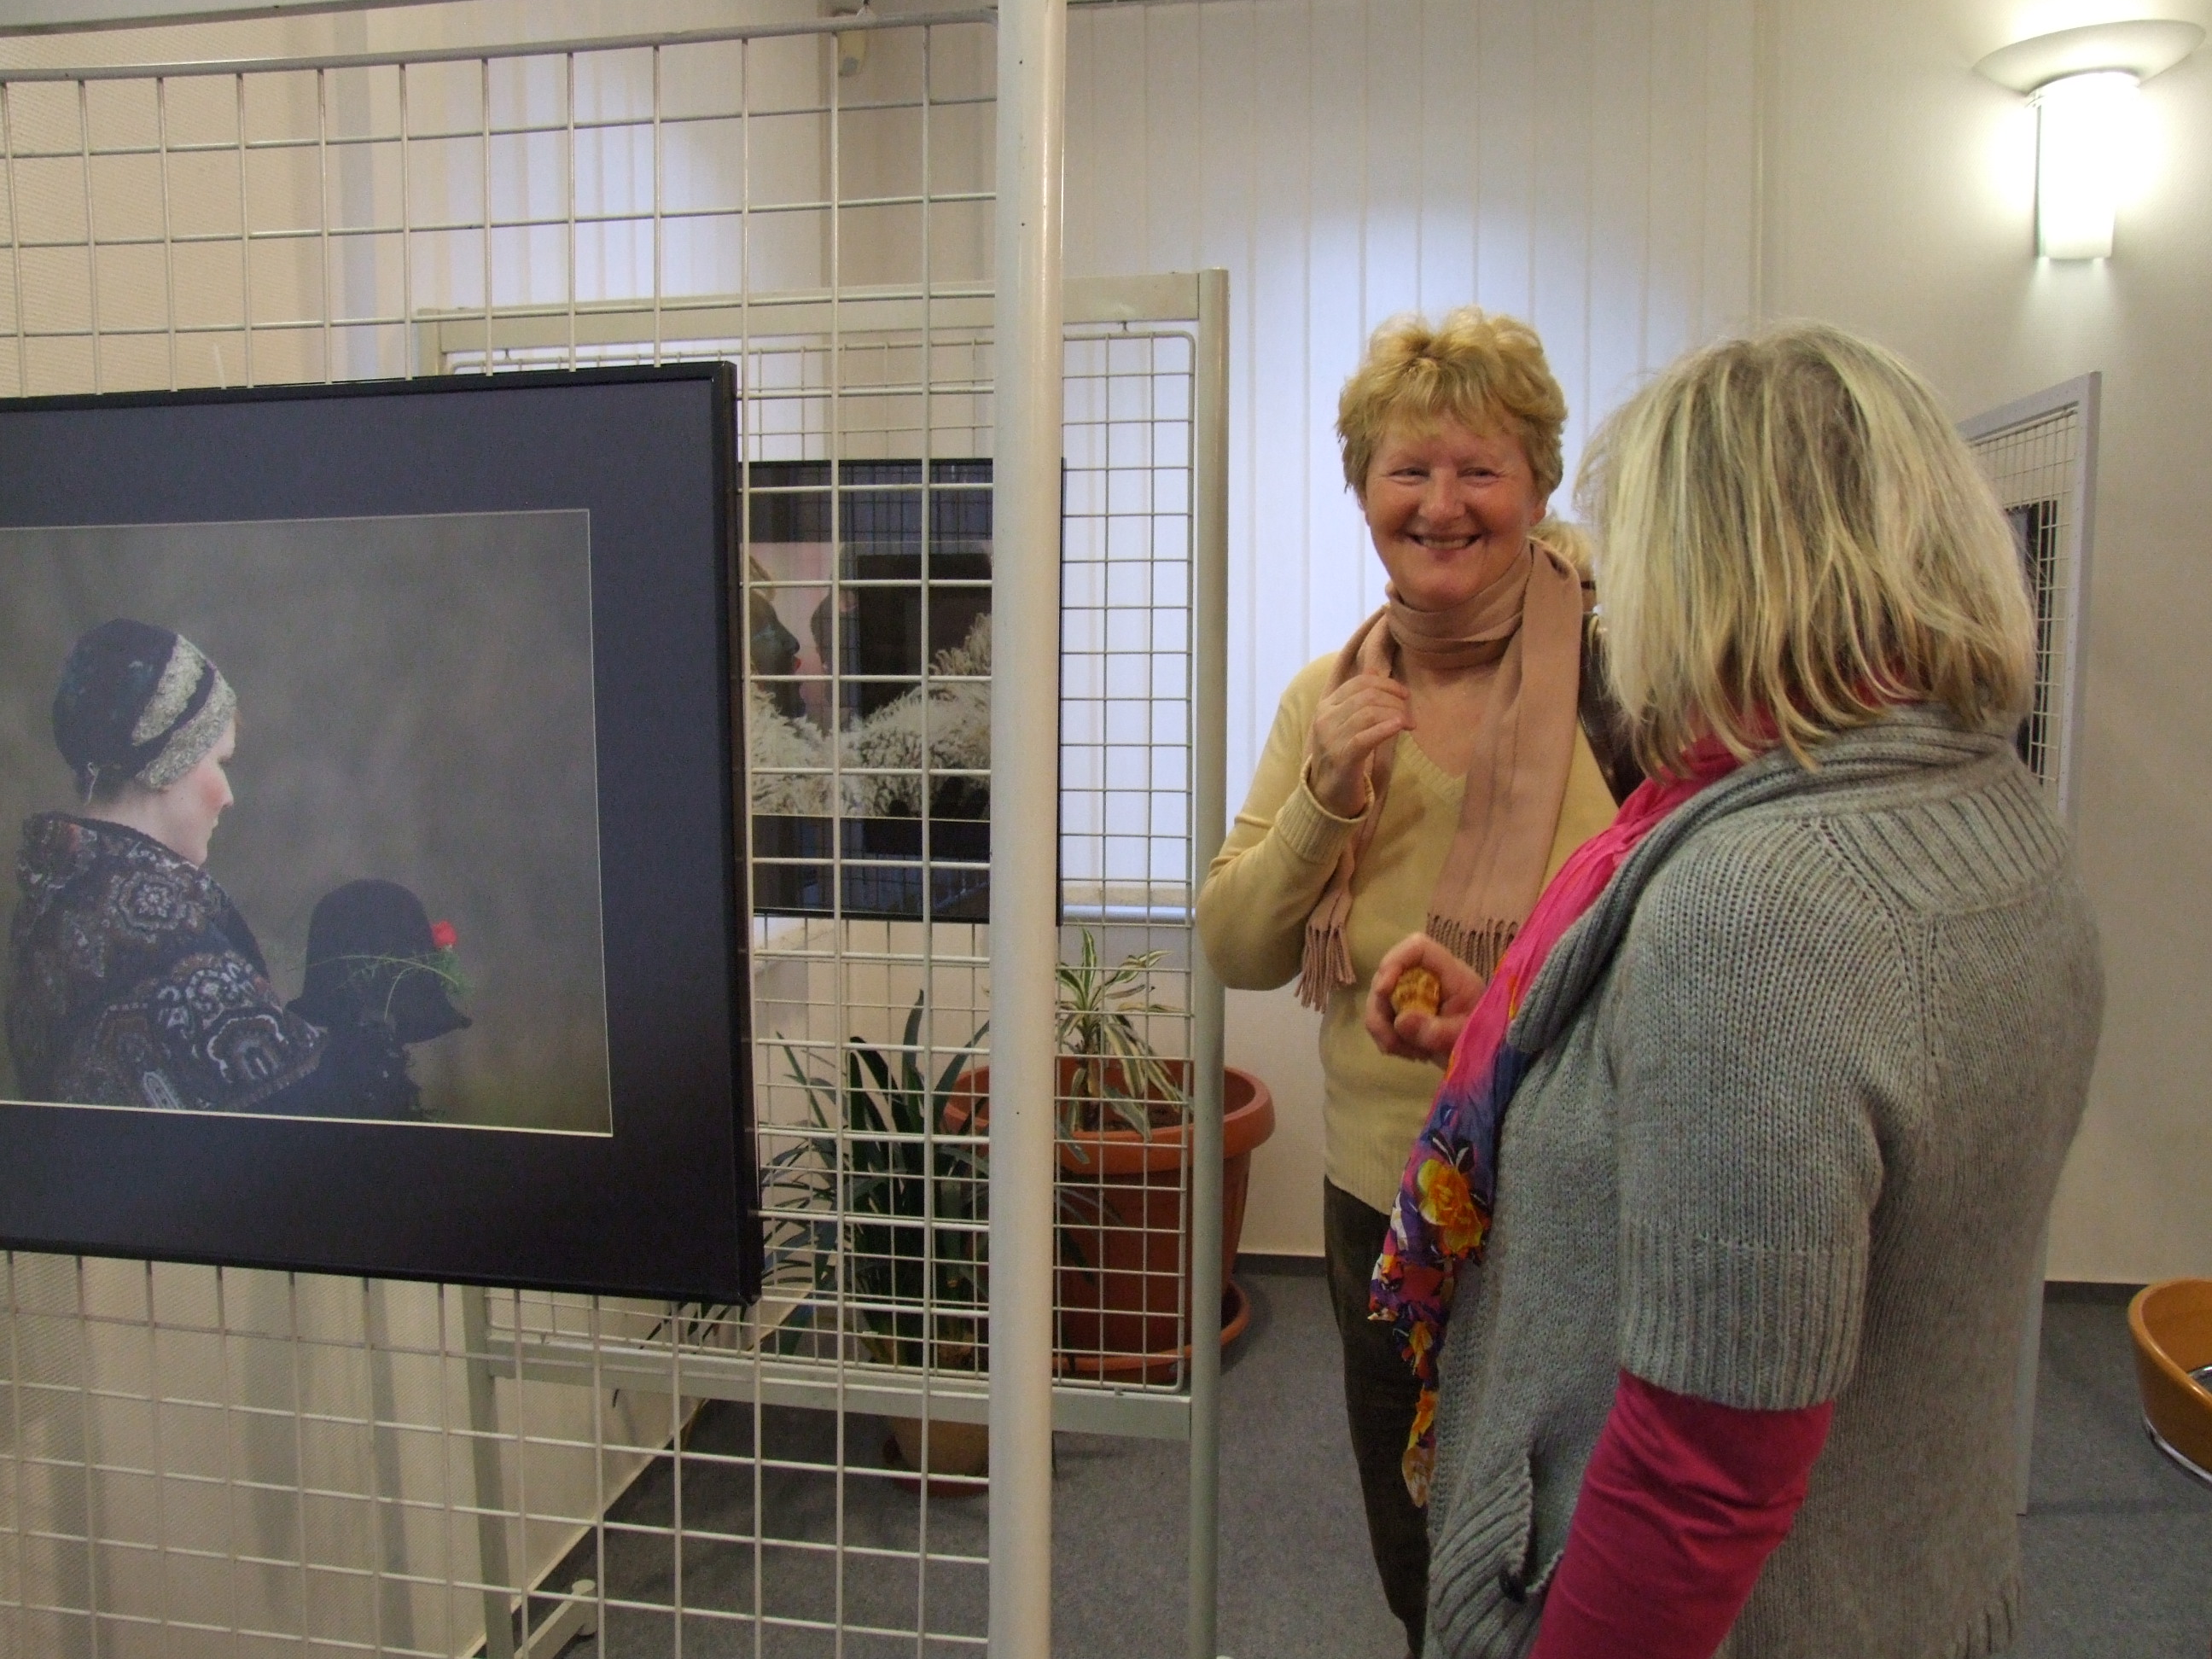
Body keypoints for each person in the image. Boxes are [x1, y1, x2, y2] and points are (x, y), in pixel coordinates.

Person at [1366, 323, 2103, 1659]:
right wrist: (1558, 1039)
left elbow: (1701, 1470)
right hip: (1916, 1571)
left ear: (1719, 569)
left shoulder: (1758, 904)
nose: (1614, 602)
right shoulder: (1988, 809)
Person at [1195, 308, 1636, 1656]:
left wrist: (1500, 1017)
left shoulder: (1630, 683)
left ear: (1538, 488)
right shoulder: (1325, 700)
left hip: (1584, 1196)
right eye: (1408, 470)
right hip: (1384, 1205)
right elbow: (1238, 949)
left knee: (1584, 1552)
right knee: (1421, 1549)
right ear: (1364, 492)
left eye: (1480, 469)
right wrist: (1326, 794)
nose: (1442, 505)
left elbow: (1695, 937)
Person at [7, 619, 422, 1118]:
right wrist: (370, 1047)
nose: (228, 796)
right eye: (220, 762)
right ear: (167, 761)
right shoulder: (160, 941)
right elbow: (304, 1128)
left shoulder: (51, 917)